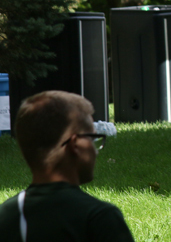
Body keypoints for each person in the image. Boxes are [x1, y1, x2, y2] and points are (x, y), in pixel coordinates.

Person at [0, 91, 135, 242]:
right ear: (75, 145)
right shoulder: (100, 218)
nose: (96, 151)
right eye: (93, 138)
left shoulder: (7, 215)